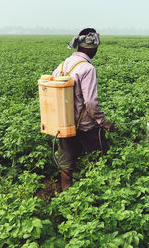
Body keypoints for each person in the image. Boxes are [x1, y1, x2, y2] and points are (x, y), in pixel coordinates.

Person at [52, 28, 115, 191]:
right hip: (85, 125)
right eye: (96, 48)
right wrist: (103, 122)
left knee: (66, 162)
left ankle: (67, 193)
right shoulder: (87, 68)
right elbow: (91, 103)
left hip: (64, 123)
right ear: (90, 47)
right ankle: (102, 191)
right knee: (100, 157)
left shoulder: (62, 65)